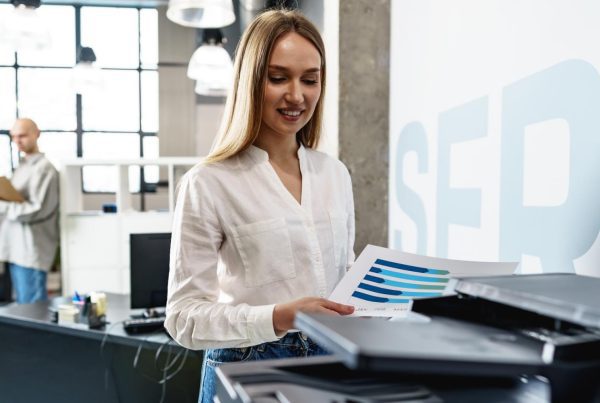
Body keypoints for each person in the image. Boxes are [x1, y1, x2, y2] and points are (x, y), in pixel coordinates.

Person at [164, 8, 356, 403]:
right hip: (245, 367)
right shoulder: (209, 183)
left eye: (310, 80)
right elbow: (183, 318)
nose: (296, 95)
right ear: (251, 81)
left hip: (331, 365)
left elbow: (346, 275)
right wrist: (280, 316)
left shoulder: (334, 174)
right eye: (278, 78)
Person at [0, 118, 59, 304]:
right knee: (22, 310)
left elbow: (36, 209)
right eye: (14, 136)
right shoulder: (22, 167)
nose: (18, 140)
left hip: (31, 251)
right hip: (16, 250)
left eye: (23, 135)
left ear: (37, 134)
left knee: (32, 312)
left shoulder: (45, 169)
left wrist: (3, 205)